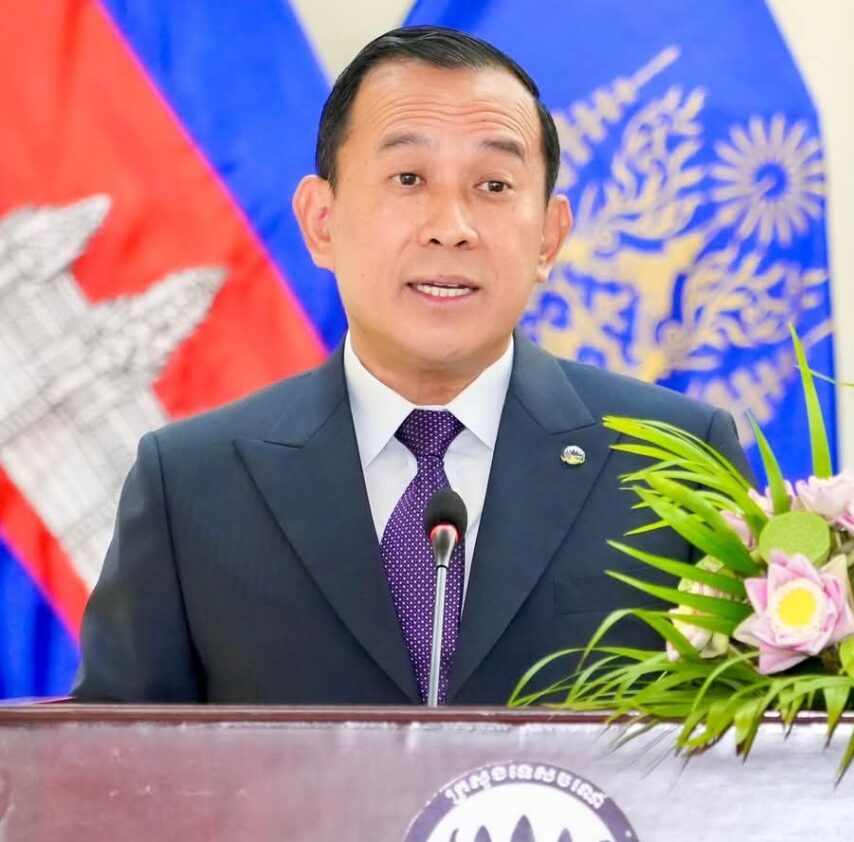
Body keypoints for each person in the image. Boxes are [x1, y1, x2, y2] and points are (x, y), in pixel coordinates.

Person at [73, 26, 749, 705]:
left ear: (549, 238)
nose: (450, 226)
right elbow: (111, 758)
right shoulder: (191, 484)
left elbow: (754, 745)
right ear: (321, 222)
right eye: (408, 178)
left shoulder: (677, 459)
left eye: (493, 184)